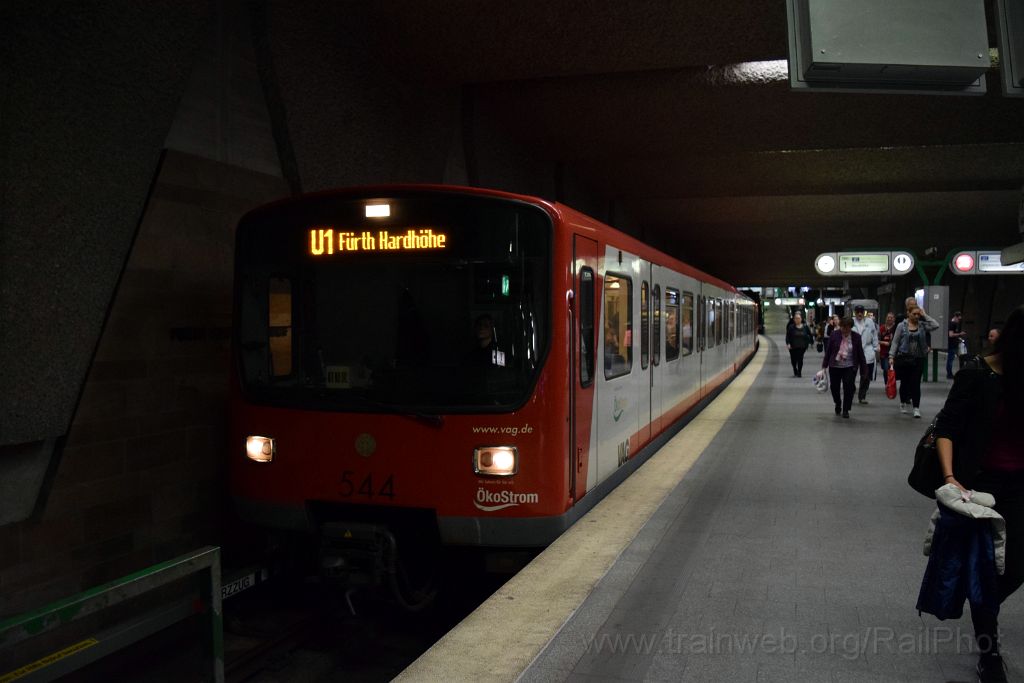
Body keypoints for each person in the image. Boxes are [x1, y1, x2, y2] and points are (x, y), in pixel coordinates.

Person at [935, 305, 1024, 682]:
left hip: (1021, 485)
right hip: (981, 487)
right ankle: (989, 655)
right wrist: (951, 476)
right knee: (985, 568)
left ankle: (982, 600)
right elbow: (948, 427)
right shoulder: (977, 374)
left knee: (1016, 566)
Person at [890, 305, 940, 418]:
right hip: (904, 358)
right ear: (908, 313)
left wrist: (925, 315)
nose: (917, 316)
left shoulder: (922, 325)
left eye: (918, 314)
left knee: (916, 383)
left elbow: (936, 325)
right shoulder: (901, 326)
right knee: (905, 383)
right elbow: (895, 342)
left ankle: (916, 408)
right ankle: (902, 403)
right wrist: (891, 356)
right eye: (914, 314)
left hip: (918, 358)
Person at [821, 316, 868, 418]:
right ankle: (838, 403)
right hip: (835, 366)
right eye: (842, 327)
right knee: (834, 388)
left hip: (849, 366)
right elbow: (828, 351)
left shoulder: (856, 337)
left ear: (850, 327)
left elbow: (860, 354)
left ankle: (846, 409)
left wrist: (864, 370)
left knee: (849, 388)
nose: (844, 329)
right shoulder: (834, 335)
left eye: (847, 327)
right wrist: (824, 365)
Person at [852, 305, 879, 404]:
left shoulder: (870, 322)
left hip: (867, 350)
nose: (859, 313)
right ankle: (852, 389)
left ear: (864, 312)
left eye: (861, 312)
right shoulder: (851, 322)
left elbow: (874, 335)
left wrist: (876, 347)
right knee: (851, 374)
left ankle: (862, 396)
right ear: (855, 312)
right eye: (858, 311)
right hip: (854, 351)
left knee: (866, 376)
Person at [785, 312, 813, 377]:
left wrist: (810, 342)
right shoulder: (791, 327)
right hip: (793, 346)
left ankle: (799, 372)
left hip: (802, 346)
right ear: (794, 319)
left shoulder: (805, 327)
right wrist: (788, 343)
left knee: (800, 359)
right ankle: (795, 369)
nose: (797, 320)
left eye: (799, 318)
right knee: (793, 359)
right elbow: (787, 336)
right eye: (796, 318)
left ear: (801, 319)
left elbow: (810, 335)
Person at [947, 310, 967, 379]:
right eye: (958, 319)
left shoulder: (953, 323)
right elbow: (951, 335)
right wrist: (960, 334)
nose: (959, 320)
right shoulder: (952, 324)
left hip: (953, 343)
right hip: (952, 344)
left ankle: (951, 373)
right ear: (955, 317)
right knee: (951, 359)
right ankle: (949, 374)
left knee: (953, 358)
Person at [878, 311, 897, 376]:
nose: (889, 319)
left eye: (891, 318)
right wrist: (883, 342)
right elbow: (876, 340)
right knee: (885, 369)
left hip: (893, 353)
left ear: (894, 319)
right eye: (888, 317)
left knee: (889, 369)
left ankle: (889, 384)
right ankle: (887, 383)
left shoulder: (896, 328)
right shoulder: (882, 328)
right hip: (884, 353)